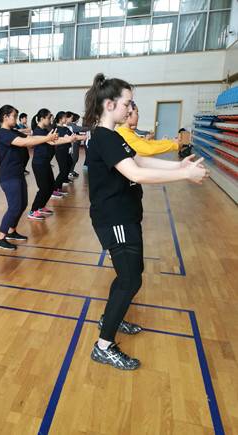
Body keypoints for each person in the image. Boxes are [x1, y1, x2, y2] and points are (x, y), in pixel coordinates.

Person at [84, 73, 208, 370]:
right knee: (130, 278)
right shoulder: (103, 136)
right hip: (114, 218)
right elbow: (136, 174)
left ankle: (110, 317)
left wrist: (177, 166)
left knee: (131, 274)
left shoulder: (113, 136)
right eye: (127, 103)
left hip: (126, 215)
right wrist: (184, 175)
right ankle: (103, 346)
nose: (130, 108)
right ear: (110, 104)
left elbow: (138, 161)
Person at [0, 105, 58, 250]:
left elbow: (30, 137)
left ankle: (11, 231)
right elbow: (25, 142)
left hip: (18, 174)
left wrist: (47, 138)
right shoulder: (3, 134)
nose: (16, 119)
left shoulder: (13, 132)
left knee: (22, 204)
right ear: (5, 117)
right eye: (14, 116)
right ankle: (0, 238)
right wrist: (47, 138)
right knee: (14, 206)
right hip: (9, 176)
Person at [27, 109, 74, 220]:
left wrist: (69, 138)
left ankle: (41, 207)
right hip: (39, 164)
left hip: (45, 163)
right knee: (43, 188)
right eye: (48, 118)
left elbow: (55, 139)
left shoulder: (45, 130)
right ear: (42, 118)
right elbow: (53, 142)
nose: (50, 120)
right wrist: (69, 139)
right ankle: (33, 210)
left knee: (51, 186)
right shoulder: (38, 131)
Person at [116, 101, 180, 156]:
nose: (138, 116)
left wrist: (170, 142)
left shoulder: (127, 131)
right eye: (136, 113)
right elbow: (149, 149)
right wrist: (175, 145)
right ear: (128, 114)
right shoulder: (124, 134)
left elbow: (147, 143)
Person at [66, 112, 88, 179]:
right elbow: (80, 129)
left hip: (76, 145)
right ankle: (70, 172)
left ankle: (71, 171)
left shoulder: (72, 125)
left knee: (75, 158)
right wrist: (91, 128)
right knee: (74, 158)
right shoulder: (71, 125)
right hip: (73, 145)